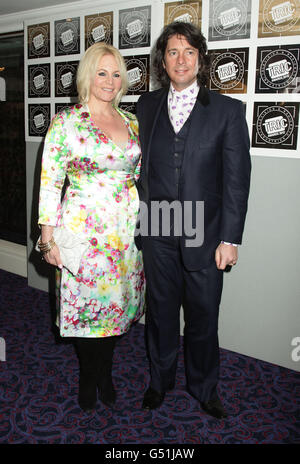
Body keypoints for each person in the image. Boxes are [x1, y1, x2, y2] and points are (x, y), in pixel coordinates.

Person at [136, 22, 251, 419]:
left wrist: (230, 239)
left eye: (188, 52)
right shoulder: (146, 106)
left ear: (199, 59)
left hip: (205, 231)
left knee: (203, 317)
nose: (180, 59)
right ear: (163, 61)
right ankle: (159, 381)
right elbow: (137, 170)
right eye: (172, 52)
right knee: (160, 313)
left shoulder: (228, 111)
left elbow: (237, 181)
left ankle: (204, 387)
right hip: (158, 227)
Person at [37, 43, 145, 413]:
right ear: (88, 75)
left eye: (116, 74)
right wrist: (47, 238)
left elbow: (141, 177)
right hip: (83, 232)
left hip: (125, 233)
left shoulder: (131, 121)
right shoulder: (67, 122)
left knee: (115, 309)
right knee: (87, 310)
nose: (110, 81)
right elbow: (50, 182)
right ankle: (89, 375)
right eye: (102, 72)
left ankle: (106, 372)